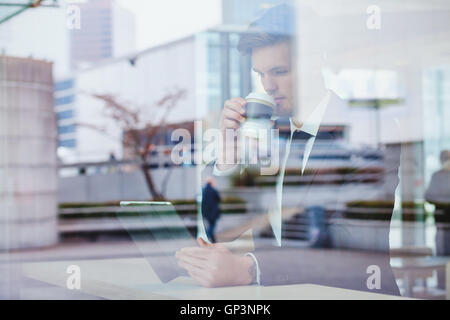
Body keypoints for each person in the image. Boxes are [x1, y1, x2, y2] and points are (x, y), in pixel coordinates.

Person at [176, 4, 401, 295]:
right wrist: (228, 152)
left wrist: (251, 268)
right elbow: (224, 231)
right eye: (260, 74)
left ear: (312, 61)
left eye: (279, 71)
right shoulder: (270, 137)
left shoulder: (368, 130)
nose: (268, 86)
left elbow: (350, 246)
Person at [201, 177, 222, 243]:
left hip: (206, 212)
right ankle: (206, 237)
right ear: (211, 183)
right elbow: (219, 199)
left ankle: (213, 241)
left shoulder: (203, 190)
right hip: (213, 212)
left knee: (210, 225)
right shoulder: (213, 190)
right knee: (212, 226)